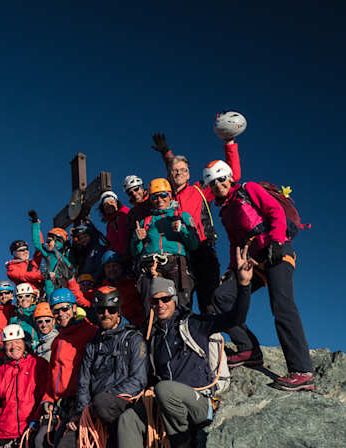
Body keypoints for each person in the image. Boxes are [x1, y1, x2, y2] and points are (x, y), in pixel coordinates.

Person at [107, 248, 253, 448]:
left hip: (201, 403)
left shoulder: (194, 324)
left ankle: (183, 439)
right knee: (129, 420)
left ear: (175, 299)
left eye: (165, 299)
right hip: (170, 405)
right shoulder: (154, 338)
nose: (160, 304)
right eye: (155, 301)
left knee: (165, 389)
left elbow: (235, 319)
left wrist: (243, 285)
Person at [204, 160, 315, 391]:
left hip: (277, 249)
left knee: (282, 305)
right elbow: (236, 242)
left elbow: (275, 211)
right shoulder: (225, 212)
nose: (218, 185)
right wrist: (231, 269)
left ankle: (302, 370)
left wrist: (275, 241)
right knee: (222, 297)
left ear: (230, 177)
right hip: (253, 260)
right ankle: (248, 349)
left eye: (221, 178)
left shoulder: (248, 189)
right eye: (213, 183)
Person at [55, 286, 148, 448]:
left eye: (111, 309)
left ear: (119, 311)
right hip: (94, 411)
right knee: (64, 446)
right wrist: (82, 413)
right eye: (101, 310)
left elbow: (139, 380)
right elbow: (83, 383)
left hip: (122, 404)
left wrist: (100, 402)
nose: (106, 314)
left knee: (104, 407)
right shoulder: (93, 346)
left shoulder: (133, 338)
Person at [151, 129, 242, 314]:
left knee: (209, 303)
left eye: (183, 170)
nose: (179, 173)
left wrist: (229, 143)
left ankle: (222, 341)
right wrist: (166, 154)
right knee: (180, 305)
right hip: (177, 257)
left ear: (189, 174)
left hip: (202, 250)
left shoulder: (200, 190)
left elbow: (232, 176)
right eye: (175, 171)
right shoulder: (164, 199)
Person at [33, 288, 98, 448]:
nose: (60, 314)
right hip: (62, 404)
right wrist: (48, 400)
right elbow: (53, 377)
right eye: (56, 311)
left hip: (83, 403)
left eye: (64, 309)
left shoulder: (89, 332)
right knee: (41, 447)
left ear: (73, 308)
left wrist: (84, 405)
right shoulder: (59, 340)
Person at [132, 178, 199, 314]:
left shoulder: (182, 216)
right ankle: (154, 335)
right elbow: (135, 252)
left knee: (182, 307)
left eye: (163, 195)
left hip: (176, 264)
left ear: (170, 196)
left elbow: (194, 244)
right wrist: (137, 239)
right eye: (155, 197)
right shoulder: (145, 221)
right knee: (151, 309)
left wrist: (183, 230)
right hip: (150, 266)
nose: (159, 199)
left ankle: (181, 333)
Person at [68, 250, 144, 328]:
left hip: (132, 329)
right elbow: (82, 299)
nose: (112, 269)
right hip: (110, 328)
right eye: (108, 266)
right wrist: (71, 280)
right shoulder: (102, 289)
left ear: (121, 267)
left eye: (115, 265)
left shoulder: (133, 285)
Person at [29, 210, 74, 298]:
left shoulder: (66, 254)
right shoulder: (48, 254)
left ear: (58, 241)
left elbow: (73, 266)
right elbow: (37, 244)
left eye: (49, 241)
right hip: (51, 288)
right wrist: (35, 223)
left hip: (65, 287)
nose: (46, 243)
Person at [99, 191, 131, 260]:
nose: (109, 205)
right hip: (116, 258)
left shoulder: (123, 215)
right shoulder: (110, 223)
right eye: (105, 204)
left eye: (111, 202)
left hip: (125, 257)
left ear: (117, 203)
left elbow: (124, 239)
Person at [9, 282, 39, 348]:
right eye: (20, 297)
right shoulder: (14, 320)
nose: (24, 299)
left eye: (27, 296)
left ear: (32, 298)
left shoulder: (39, 312)